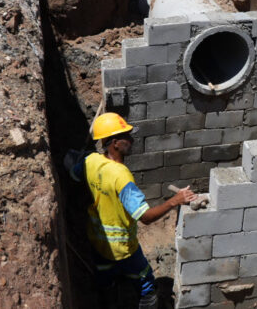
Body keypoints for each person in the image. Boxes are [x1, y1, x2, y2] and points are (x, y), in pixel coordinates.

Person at [69, 112, 197, 309]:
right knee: (146, 284)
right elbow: (145, 217)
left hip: (96, 241)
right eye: (125, 136)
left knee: (104, 280)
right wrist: (175, 200)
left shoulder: (90, 160)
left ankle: (109, 300)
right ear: (114, 143)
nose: (131, 139)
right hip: (123, 249)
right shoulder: (122, 177)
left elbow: (74, 174)